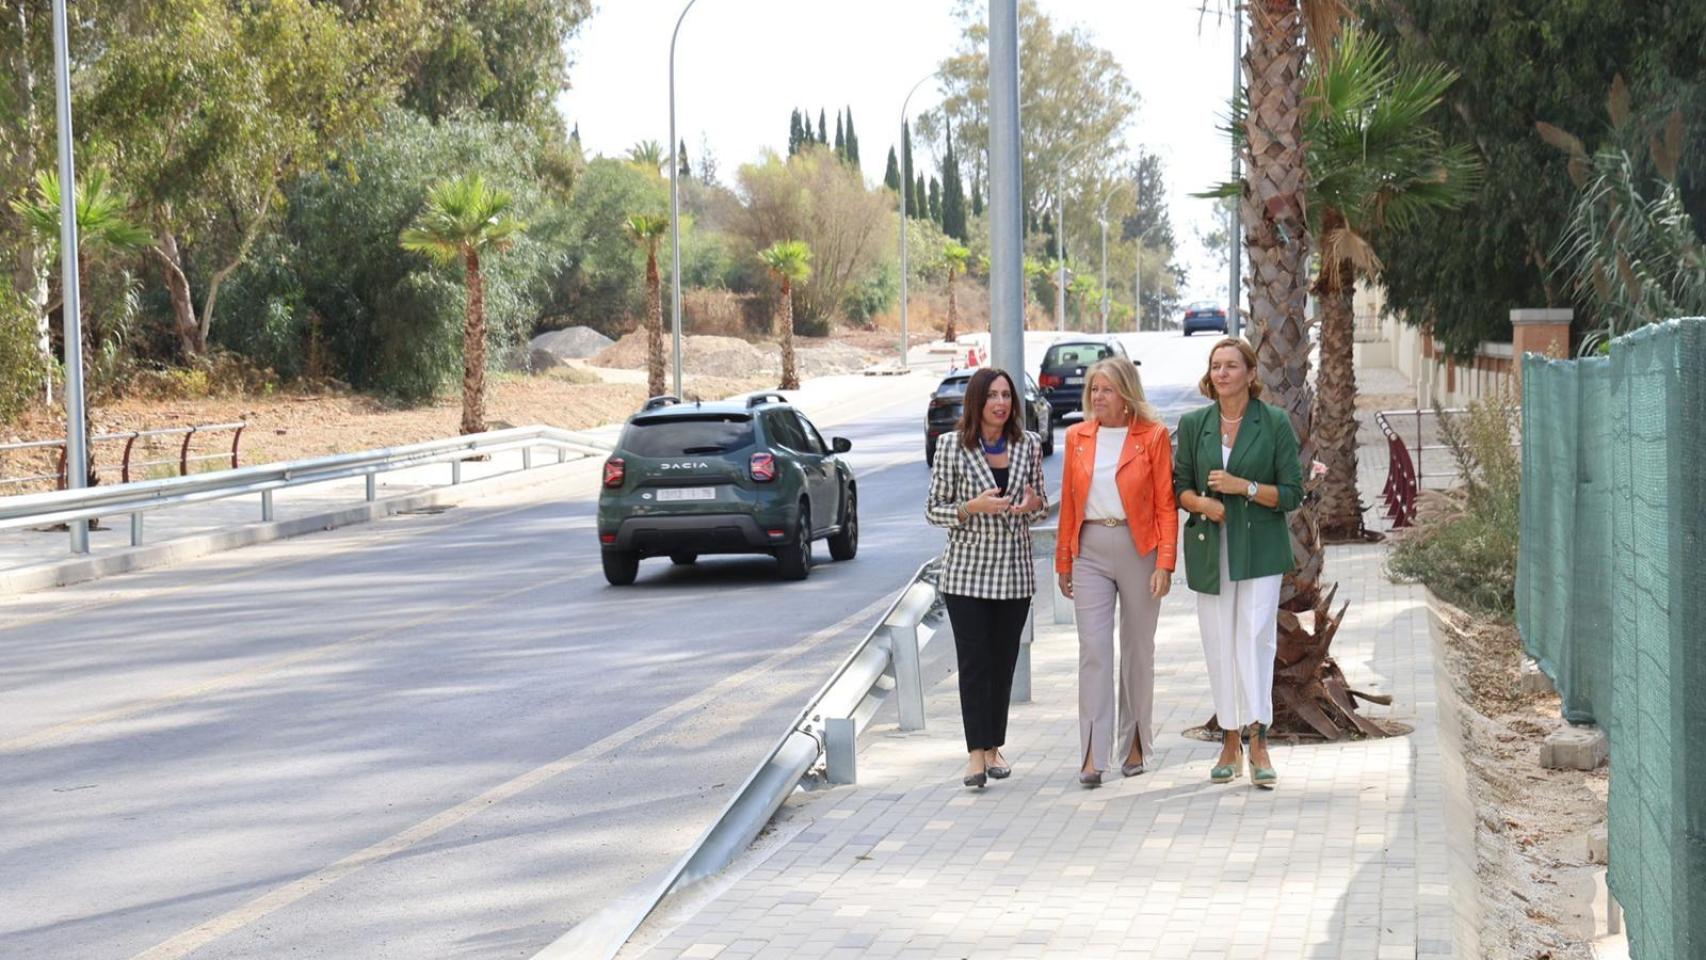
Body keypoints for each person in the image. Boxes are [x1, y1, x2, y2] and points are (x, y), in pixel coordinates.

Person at [1175, 338, 1303, 789]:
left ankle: (1259, 738)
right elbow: (1180, 488)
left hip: (1260, 550)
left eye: (1232, 366)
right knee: (1218, 642)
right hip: (1212, 548)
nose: (1222, 373)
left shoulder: (1273, 423)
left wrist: (1243, 487)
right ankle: (1229, 740)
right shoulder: (1195, 424)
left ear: (1251, 374)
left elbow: (1291, 493)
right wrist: (1204, 506)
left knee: (1254, 638)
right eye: (1216, 366)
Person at [1054, 358, 1177, 788]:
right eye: (1094, 390)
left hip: (1138, 548)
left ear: (1126, 394)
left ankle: (1137, 743)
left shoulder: (1153, 436)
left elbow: (1166, 503)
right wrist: (1063, 560)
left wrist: (1165, 561)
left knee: (1137, 651)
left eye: (1107, 389)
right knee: (1094, 651)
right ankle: (1092, 752)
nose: (1098, 397)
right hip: (1089, 549)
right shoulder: (1077, 438)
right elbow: (1069, 502)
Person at [926, 367, 1048, 789]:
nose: (1001, 403)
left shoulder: (1028, 444)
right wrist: (971, 507)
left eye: (1007, 396)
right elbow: (933, 509)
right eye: (993, 395)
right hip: (967, 575)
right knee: (974, 664)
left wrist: (1032, 504)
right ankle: (976, 755)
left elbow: (1041, 504)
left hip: (1014, 574)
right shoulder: (951, 447)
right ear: (976, 401)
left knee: (1003, 664)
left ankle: (995, 745)